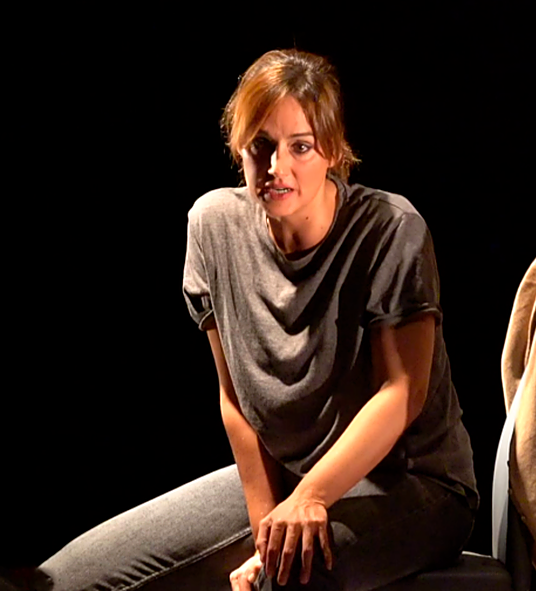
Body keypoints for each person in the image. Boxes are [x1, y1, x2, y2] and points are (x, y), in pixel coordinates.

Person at [37, 49, 478, 591]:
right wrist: (266, 527)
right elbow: (234, 401)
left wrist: (310, 499)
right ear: (238, 146)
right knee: (65, 580)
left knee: (288, 577)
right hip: (288, 473)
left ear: (333, 150)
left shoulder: (390, 229)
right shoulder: (213, 227)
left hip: (414, 483)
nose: (276, 168)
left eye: (300, 147)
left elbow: (402, 392)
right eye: (261, 145)